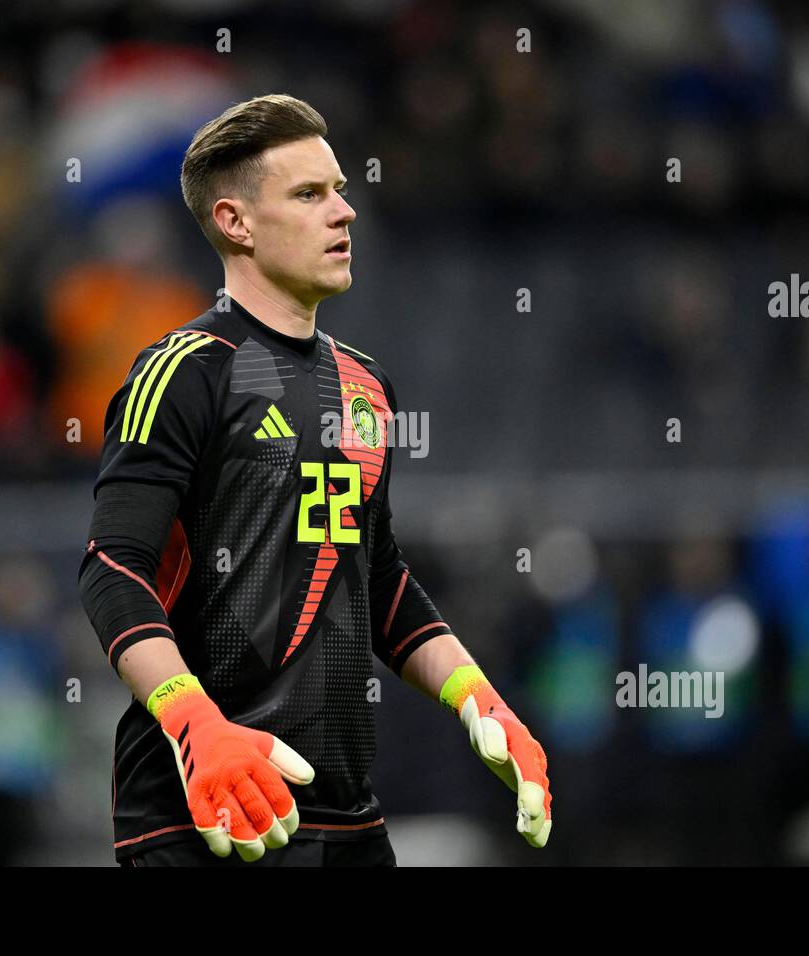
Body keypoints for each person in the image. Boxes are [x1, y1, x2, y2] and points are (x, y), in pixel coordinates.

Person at [78, 94, 552, 866]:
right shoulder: (182, 372)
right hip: (205, 817)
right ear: (235, 222)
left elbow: (378, 576)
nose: (345, 212)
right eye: (310, 194)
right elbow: (112, 569)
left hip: (346, 822)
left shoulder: (367, 387)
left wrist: (476, 696)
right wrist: (194, 725)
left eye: (338, 189)